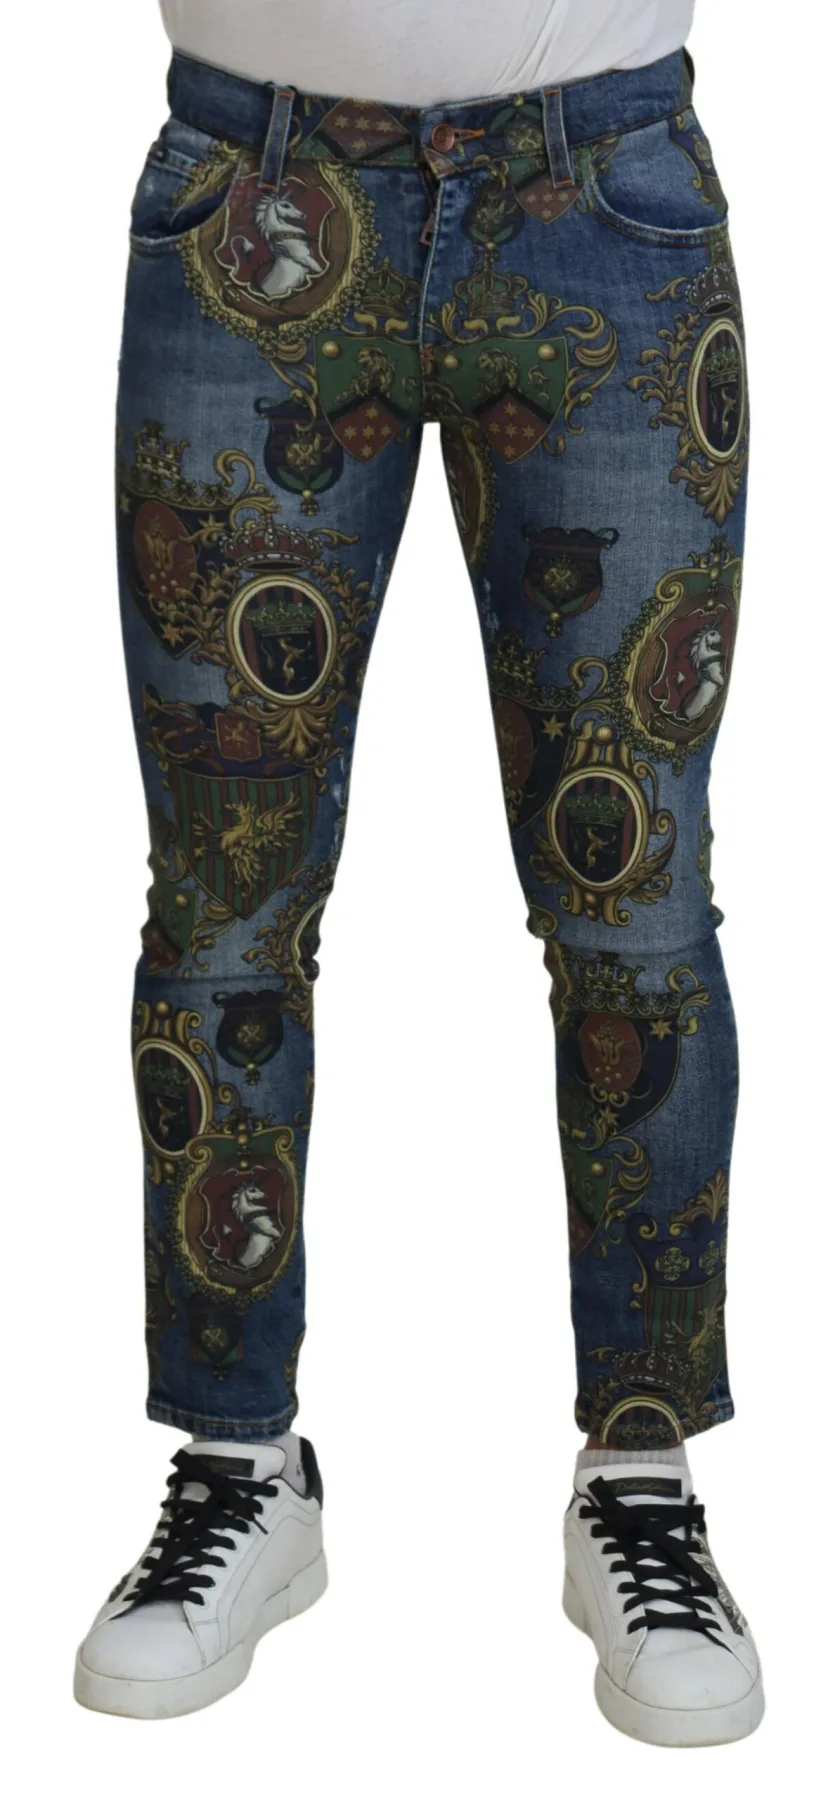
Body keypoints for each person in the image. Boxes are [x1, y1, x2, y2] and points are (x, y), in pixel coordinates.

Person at [73, 0, 764, 1742]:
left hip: (604, 195)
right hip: (251, 198)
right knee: (224, 900)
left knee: (635, 904)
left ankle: (642, 1478)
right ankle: (239, 1464)